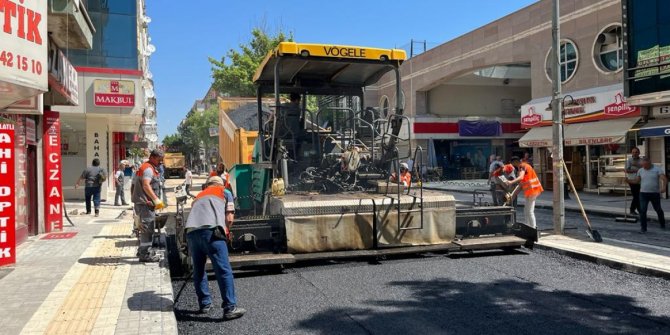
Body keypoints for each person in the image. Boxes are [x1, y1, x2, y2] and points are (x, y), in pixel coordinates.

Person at [185, 176, 245, 320]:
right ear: (221, 184)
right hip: (211, 232)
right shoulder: (224, 191)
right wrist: (227, 232)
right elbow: (229, 218)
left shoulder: (198, 196)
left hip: (192, 233)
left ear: (207, 185)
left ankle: (205, 304)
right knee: (223, 270)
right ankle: (230, 308)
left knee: (199, 270)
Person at [131, 149, 166, 262]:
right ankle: (145, 254)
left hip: (143, 204)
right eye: (159, 160)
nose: (161, 163)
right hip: (145, 204)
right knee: (147, 229)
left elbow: (134, 185)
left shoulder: (146, 167)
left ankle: (142, 250)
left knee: (144, 228)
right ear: (152, 157)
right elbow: (146, 185)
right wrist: (155, 199)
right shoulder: (148, 169)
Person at [506, 156, 544, 229]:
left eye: (513, 164)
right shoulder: (525, 166)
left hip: (533, 190)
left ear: (515, 162)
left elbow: (521, 177)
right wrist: (512, 196)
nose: (513, 166)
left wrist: (511, 182)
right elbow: (520, 185)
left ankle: (533, 228)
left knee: (529, 211)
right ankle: (528, 226)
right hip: (531, 191)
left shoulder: (522, 166)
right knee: (526, 210)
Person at [632, 157, 667, 233]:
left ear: (649, 163)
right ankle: (643, 228)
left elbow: (664, 178)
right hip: (643, 193)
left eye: (645, 165)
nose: (644, 167)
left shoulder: (657, 169)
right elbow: (637, 181)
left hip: (654, 193)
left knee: (658, 209)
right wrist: (628, 180)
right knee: (643, 210)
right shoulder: (640, 170)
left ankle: (662, 224)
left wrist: (664, 187)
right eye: (643, 165)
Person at [625, 147, 642, 215]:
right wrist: (636, 170)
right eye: (633, 152)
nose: (635, 153)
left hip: (640, 180)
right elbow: (626, 170)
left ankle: (637, 209)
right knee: (636, 195)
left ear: (639, 153)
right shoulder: (629, 160)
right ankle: (633, 209)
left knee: (638, 195)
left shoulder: (641, 160)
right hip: (632, 180)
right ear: (632, 153)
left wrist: (636, 166)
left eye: (636, 152)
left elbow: (644, 168)